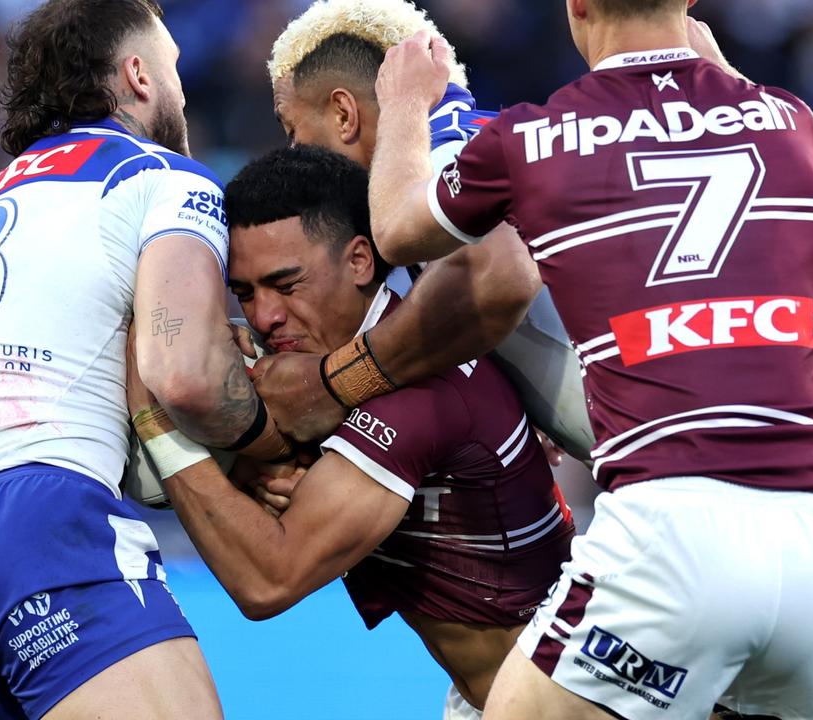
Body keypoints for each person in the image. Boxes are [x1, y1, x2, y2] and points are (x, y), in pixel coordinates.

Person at [359, 0, 813, 717]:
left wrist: (404, 102)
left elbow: (399, 230)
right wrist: (722, 72)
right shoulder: (788, 119)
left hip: (672, 534)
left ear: (576, 5)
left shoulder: (532, 136)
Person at [0, 1, 287, 718]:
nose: (182, 91)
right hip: (30, 530)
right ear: (139, 75)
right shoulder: (166, 177)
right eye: (174, 68)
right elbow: (185, 375)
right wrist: (273, 442)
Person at [125, 144, 574, 719]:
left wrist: (160, 425)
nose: (264, 316)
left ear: (361, 261)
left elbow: (268, 579)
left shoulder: (417, 398)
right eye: (245, 293)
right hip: (495, 695)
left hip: (568, 703)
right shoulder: (346, 359)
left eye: (286, 285)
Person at [254, 0, 595, 465]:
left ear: (343, 114)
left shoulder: (448, 147)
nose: (292, 153)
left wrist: (341, 382)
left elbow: (497, 272)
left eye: (292, 129)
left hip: (682, 456)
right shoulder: (483, 136)